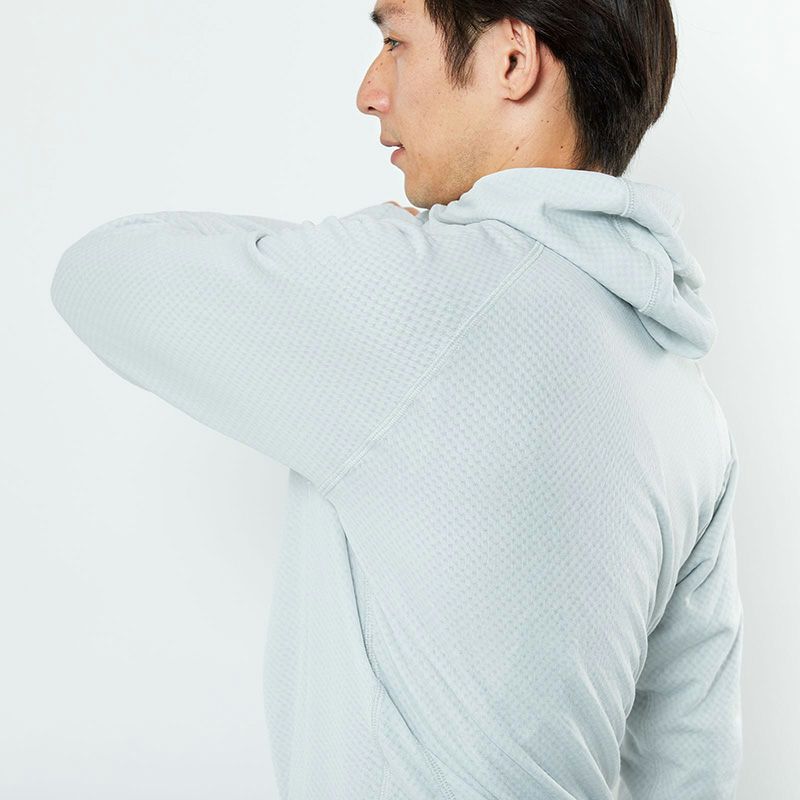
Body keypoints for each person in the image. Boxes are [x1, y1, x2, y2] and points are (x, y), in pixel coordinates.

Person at [50, 0, 744, 797]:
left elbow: (99, 275)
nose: (370, 91)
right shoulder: (688, 401)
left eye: (395, 41)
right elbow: (693, 770)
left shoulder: (411, 292)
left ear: (512, 61)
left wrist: (366, 247)